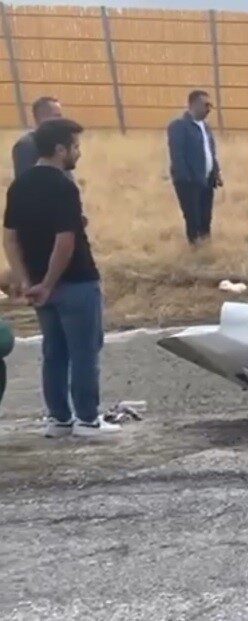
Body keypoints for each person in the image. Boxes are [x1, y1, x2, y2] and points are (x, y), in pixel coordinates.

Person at [2, 118, 117, 437]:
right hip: (75, 282)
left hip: (38, 284)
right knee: (84, 351)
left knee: (53, 352)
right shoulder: (64, 186)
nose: (78, 153)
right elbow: (65, 241)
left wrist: (27, 281)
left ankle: (59, 418)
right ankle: (87, 419)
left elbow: (9, 237)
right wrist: (51, 281)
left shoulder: (19, 185)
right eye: (75, 147)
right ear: (59, 149)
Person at [167, 90, 222, 246]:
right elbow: (177, 154)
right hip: (189, 182)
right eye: (205, 105)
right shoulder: (179, 126)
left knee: (206, 216)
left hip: (207, 179)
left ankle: (206, 247)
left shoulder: (206, 127)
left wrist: (216, 172)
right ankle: (195, 249)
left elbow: (211, 152)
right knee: (193, 217)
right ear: (193, 104)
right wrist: (186, 178)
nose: (208, 109)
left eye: (210, 105)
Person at [11, 96, 66, 180]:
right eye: (57, 116)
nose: (61, 120)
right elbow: (25, 183)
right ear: (43, 118)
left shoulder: (57, 143)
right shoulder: (26, 146)